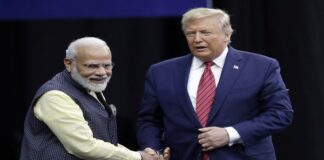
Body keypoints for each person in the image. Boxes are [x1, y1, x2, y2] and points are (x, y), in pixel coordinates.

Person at [136, 8, 294, 160]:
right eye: (191, 33)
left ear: (227, 35)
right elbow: (149, 120)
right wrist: (153, 150)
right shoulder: (161, 72)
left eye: (205, 32)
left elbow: (280, 113)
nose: (197, 39)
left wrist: (230, 134)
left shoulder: (261, 66)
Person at [20, 37, 169, 160]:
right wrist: (138, 157)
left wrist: (147, 155)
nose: (102, 72)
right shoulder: (55, 95)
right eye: (92, 66)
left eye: (107, 65)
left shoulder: (88, 86)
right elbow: (85, 147)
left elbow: (102, 141)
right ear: (69, 64)